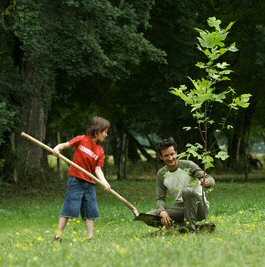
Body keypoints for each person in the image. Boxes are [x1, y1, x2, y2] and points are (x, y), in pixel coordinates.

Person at [53, 116, 111, 242]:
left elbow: (98, 169)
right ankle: (58, 236)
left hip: (90, 184)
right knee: (69, 207)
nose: (106, 135)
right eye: (105, 131)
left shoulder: (100, 151)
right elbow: (64, 145)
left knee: (91, 210)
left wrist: (105, 182)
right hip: (76, 181)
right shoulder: (81, 139)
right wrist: (57, 148)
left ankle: (91, 238)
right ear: (97, 130)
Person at [147, 139, 215, 232]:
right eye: (166, 156)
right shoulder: (161, 174)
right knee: (148, 216)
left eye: (172, 154)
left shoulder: (188, 165)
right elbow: (160, 198)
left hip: (198, 206)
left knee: (187, 191)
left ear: (176, 152)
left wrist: (207, 182)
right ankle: (181, 227)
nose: (170, 158)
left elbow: (209, 178)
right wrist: (162, 211)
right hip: (180, 207)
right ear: (161, 157)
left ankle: (190, 230)